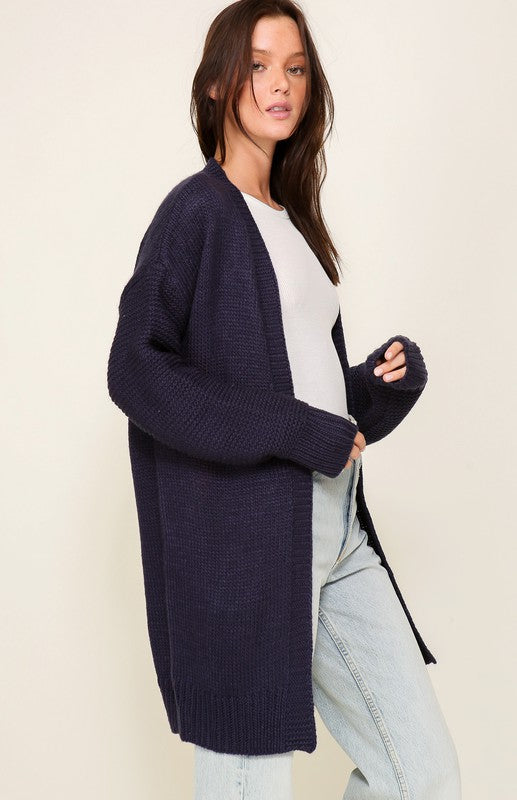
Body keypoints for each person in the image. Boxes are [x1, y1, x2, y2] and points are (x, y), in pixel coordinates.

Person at [107, 1, 461, 798]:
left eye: (295, 68)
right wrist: (297, 428)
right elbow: (136, 370)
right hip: (246, 542)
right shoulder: (196, 212)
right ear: (215, 85)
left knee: (422, 775)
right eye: (259, 66)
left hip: (337, 532)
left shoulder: (292, 222)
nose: (280, 84)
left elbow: (309, 403)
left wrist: (375, 389)